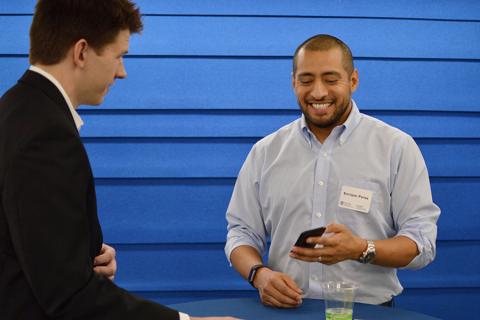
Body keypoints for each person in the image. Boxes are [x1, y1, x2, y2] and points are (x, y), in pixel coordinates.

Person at [0, 1, 238, 319]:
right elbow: (68, 296)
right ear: (81, 52)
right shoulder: (46, 136)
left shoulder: (13, 111)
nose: (122, 72)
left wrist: (81, 257)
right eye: (119, 55)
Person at [224, 34, 440, 308]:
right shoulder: (266, 152)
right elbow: (241, 232)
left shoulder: (396, 147)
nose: (317, 92)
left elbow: (421, 242)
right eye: (306, 79)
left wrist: (361, 249)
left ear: (353, 80)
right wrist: (259, 275)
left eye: (330, 79)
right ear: (293, 82)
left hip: (368, 312)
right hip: (288, 313)